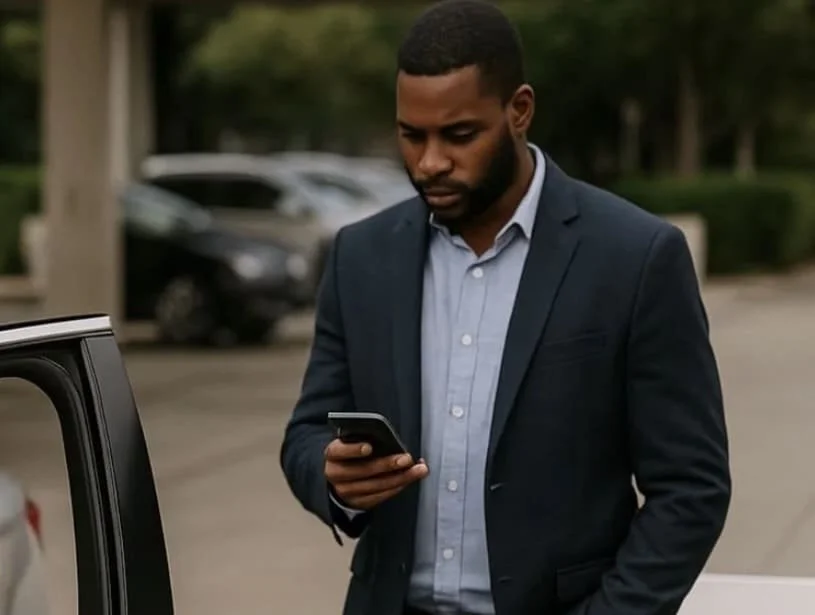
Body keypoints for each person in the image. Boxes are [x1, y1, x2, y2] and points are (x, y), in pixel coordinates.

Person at [280, 1, 731, 614]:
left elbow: (691, 488)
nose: (430, 161)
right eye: (412, 136)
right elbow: (306, 433)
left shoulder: (636, 258)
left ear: (519, 110)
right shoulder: (361, 258)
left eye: (459, 135)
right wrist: (336, 481)